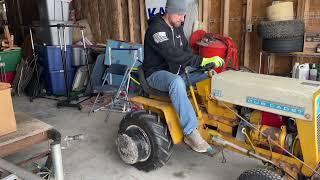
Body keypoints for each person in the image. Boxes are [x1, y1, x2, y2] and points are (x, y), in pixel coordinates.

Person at [143, 0, 225, 153]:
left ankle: (215, 117)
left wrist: (204, 65)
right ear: (169, 12)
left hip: (177, 72)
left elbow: (186, 53)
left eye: (184, 15)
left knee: (208, 75)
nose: (182, 18)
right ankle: (190, 132)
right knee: (176, 82)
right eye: (180, 14)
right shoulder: (156, 30)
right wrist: (202, 60)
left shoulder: (177, 27)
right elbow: (173, 55)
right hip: (155, 74)